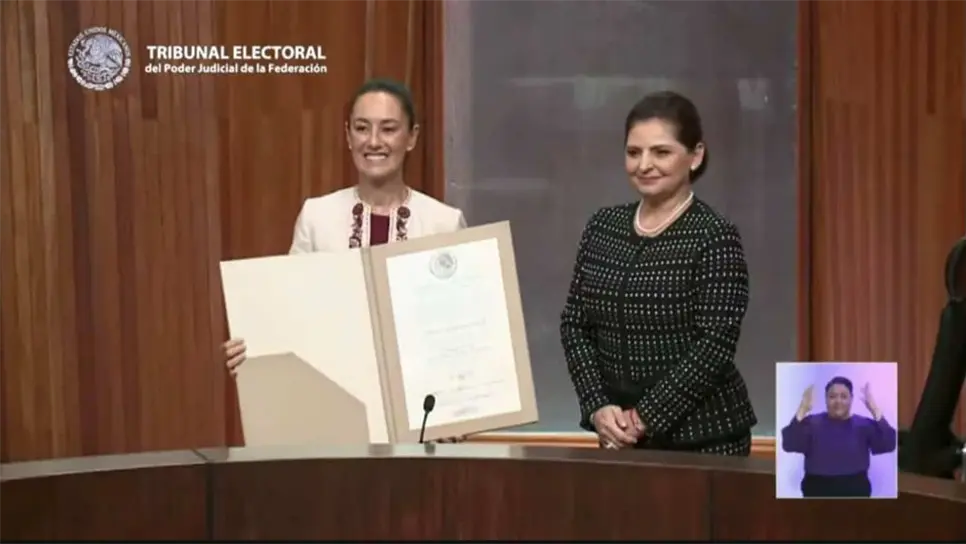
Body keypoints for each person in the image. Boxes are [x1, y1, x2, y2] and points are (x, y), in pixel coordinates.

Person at [559, 90, 758, 456]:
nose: (644, 165)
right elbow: (575, 325)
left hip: (705, 441)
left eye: (661, 152)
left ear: (695, 155)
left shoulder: (714, 235)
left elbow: (715, 343)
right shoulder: (603, 227)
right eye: (634, 152)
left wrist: (644, 418)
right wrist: (597, 406)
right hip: (617, 436)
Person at [223, 77, 466, 373]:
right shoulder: (316, 216)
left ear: (412, 137)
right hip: (334, 392)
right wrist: (255, 352)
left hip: (419, 394)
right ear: (348, 136)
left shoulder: (444, 222)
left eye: (388, 129)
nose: (374, 141)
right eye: (362, 128)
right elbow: (290, 312)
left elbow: (461, 326)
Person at [781, 377, 898, 498]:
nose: (838, 401)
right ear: (826, 399)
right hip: (816, 490)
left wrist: (874, 408)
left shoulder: (863, 425)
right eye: (832, 397)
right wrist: (803, 408)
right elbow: (789, 443)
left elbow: (889, 443)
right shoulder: (812, 423)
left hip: (856, 490)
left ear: (851, 399)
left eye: (844, 396)